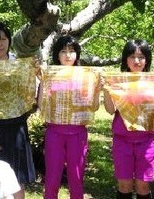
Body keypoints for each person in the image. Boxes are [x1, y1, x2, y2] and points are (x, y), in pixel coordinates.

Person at [103, 39, 154, 199]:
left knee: (143, 185)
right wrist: (106, 90)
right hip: (122, 140)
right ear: (126, 59)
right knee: (124, 185)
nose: (137, 61)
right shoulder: (118, 81)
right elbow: (111, 110)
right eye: (132, 56)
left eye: (141, 56)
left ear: (147, 59)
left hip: (146, 141)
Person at [39, 35, 101, 199]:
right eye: (63, 51)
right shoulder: (50, 75)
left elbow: (94, 107)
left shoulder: (86, 77)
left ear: (77, 54)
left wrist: (99, 88)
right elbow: (42, 106)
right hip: (54, 132)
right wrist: (42, 82)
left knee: (77, 177)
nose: (68, 55)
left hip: (78, 134)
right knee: (52, 177)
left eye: (72, 51)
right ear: (56, 55)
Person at [0, 20, 36, 199]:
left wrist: (34, 70)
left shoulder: (20, 66)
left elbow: (29, 93)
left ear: (9, 41)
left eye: (3, 39)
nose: (0, 44)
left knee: (17, 174)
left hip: (16, 125)